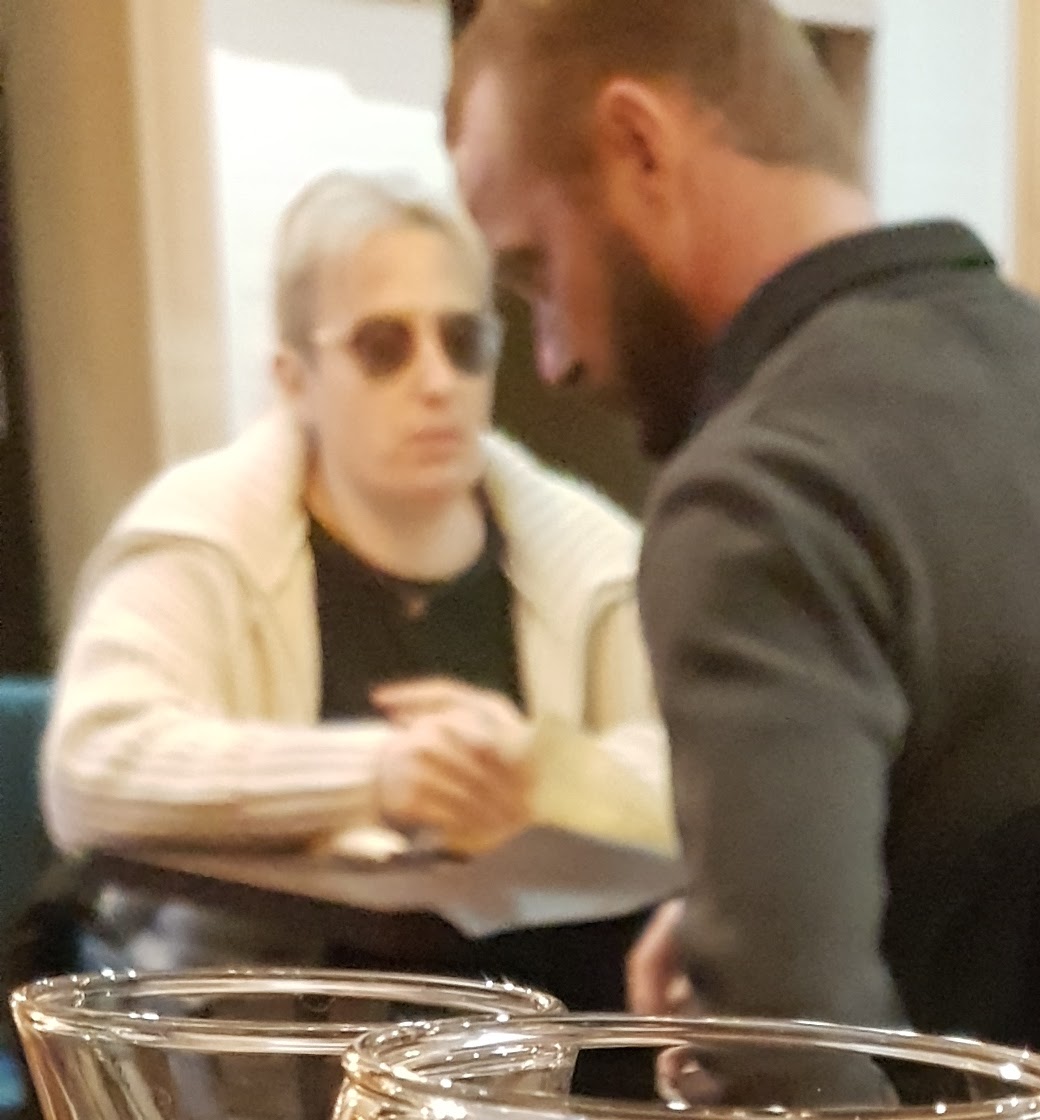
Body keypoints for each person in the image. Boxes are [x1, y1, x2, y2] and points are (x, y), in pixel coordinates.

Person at [446, 0, 1040, 1027]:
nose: (554, 357)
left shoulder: (760, 492)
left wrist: (738, 1002)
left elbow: (798, 1078)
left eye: (536, 269)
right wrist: (748, 932)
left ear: (640, 146)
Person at [41, 170, 669, 862]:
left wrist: (543, 781)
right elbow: (90, 767)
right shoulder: (205, 536)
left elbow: (717, 772)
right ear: (295, 383)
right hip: (248, 936)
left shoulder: (595, 561)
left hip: (524, 936)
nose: (437, 381)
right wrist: (377, 774)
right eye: (383, 346)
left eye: (462, 341)